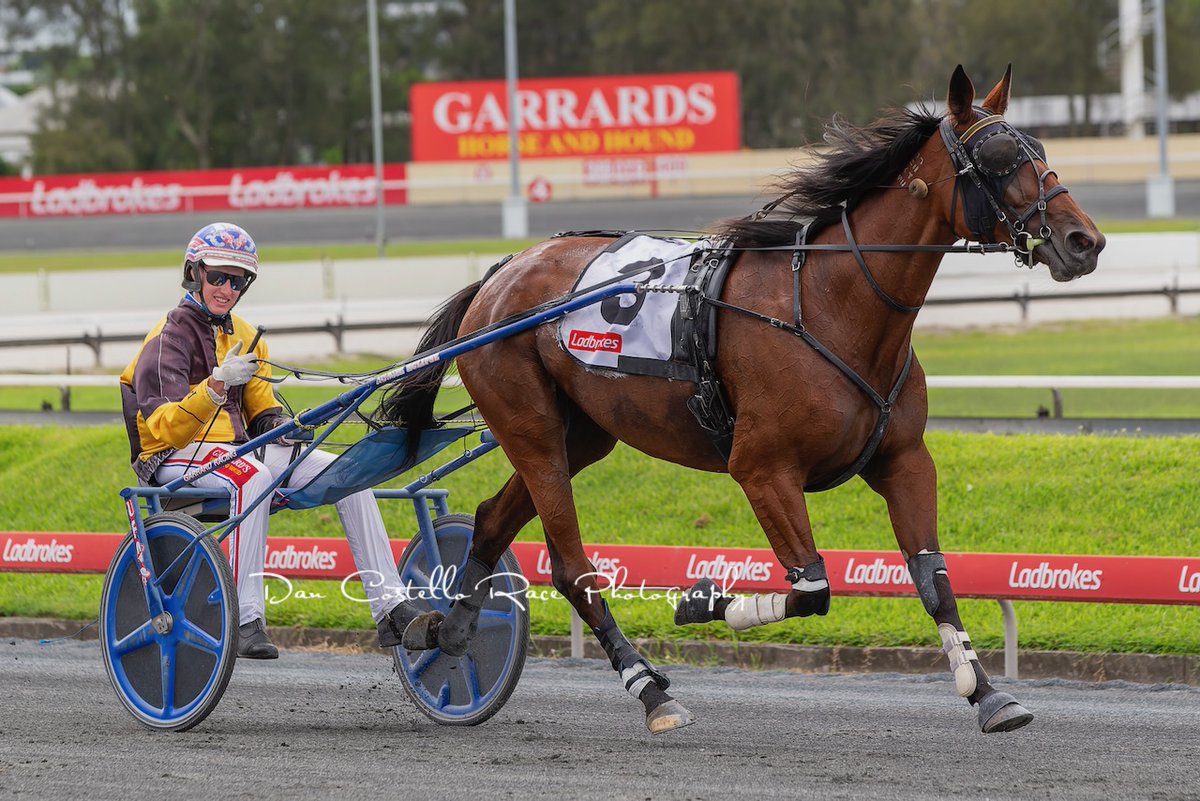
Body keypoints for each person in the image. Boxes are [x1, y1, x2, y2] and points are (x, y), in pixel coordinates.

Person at [119, 222, 423, 659]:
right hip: (172, 458)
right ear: (194, 273)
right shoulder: (167, 338)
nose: (226, 288)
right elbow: (166, 427)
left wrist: (286, 424)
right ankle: (245, 618)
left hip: (236, 453)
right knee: (253, 478)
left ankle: (392, 608)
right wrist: (216, 387)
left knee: (350, 474)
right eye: (218, 277)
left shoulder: (245, 335)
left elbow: (262, 412)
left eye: (237, 280)